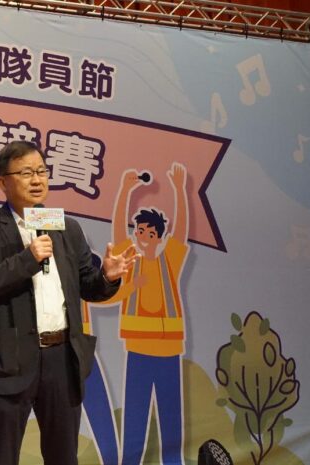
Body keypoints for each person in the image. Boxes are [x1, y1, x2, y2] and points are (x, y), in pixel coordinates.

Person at [0, 140, 139, 465]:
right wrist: (27, 260)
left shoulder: (65, 226)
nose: (37, 180)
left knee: (63, 456)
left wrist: (107, 277)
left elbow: (89, 287)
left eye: (41, 171)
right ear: (3, 182)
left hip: (62, 359)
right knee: (2, 456)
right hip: (10, 360)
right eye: (26, 173)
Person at [106, 163, 190, 465]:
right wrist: (125, 191)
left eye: (150, 232)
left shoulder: (169, 262)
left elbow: (181, 232)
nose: (143, 235)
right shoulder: (131, 260)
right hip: (138, 353)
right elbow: (118, 231)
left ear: (158, 237)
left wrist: (179, 190)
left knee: (171, 424)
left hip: (168, 354)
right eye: (139, 230)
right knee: (135, 422)